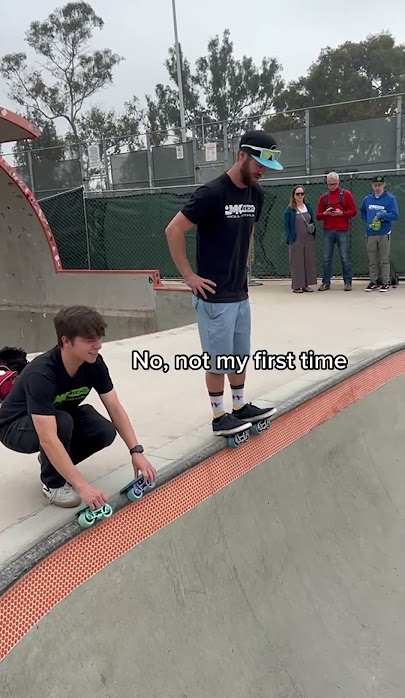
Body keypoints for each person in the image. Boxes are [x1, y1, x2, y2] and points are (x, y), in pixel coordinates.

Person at [165, 129, 283, 437]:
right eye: (258, 163)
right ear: (241, 155)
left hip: (240, 293)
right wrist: (188, 276)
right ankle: (219, 418)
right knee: (218, 361)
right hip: (214, 297)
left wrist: (244, 263)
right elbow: (173, 230)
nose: (262, 171)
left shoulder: (255, 194)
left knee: (239, 355)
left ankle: (240, 406)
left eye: (266, 166)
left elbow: (249, 230)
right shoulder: (212, 193)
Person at [0, 306, 156, 509]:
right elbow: (47, 437)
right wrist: (82, 485)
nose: (98, 346)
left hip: (55, 417)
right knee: (60, 423)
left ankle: (52, 462)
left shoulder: (94, 363)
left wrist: (137, 451)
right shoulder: (41, 374)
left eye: (99, 338)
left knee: (103, 430)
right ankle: (53, 484)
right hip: (14, 427)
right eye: (90, 340)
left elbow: (114, 407)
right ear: (65, 341)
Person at [316, 171, 357, 291]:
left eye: (334, 184)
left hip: (342, 230)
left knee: (345, 258)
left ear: (338, 182)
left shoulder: (346, 194)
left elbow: (354, 211)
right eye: (329, 184)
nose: (332, 187)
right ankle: (325, 282)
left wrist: (342, 213)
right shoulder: (324, 197)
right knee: (326, 258)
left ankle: (348, 282)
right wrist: (325, 213)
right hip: (328, 231)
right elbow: (318, 216)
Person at [360, 175, 400, 292]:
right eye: (375, 185)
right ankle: (373, 281)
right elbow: (363, 211)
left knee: (384, 259)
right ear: (372, 186)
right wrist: (368, 222)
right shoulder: (367, 199)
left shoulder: (390, 199)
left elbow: (395, 215)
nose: (377, 187)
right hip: (370, 233)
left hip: (384, 233)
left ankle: (385, 282)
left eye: (380, 185)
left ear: (384, 185)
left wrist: (382, 216)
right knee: (372, 259)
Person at [284, 185, 318, 293]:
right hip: (296, 239)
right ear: (293, 196)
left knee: (308, 261)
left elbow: (312, 220)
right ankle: (297, 285)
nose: (300, 196)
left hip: (308, 238)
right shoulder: (290, 210)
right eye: (297, 194)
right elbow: (286, 226)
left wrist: (313, 234)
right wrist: (291, 238)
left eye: (302, 194)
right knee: (297, 262)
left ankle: (306, 285)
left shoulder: (308, 206)